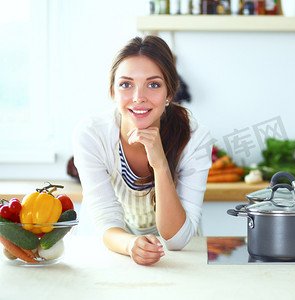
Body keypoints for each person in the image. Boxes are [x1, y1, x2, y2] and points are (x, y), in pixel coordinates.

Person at [72, 35, 212, 266]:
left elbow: (176, 240)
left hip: (178, 257)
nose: (138, 98)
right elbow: (107, 221)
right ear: (113, 92)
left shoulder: (195, 139)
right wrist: (131, 245)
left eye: (153, 84)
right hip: (110, 247)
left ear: (169, 93)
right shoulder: (91, 133)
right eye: (126, 84)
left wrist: (159, 164)